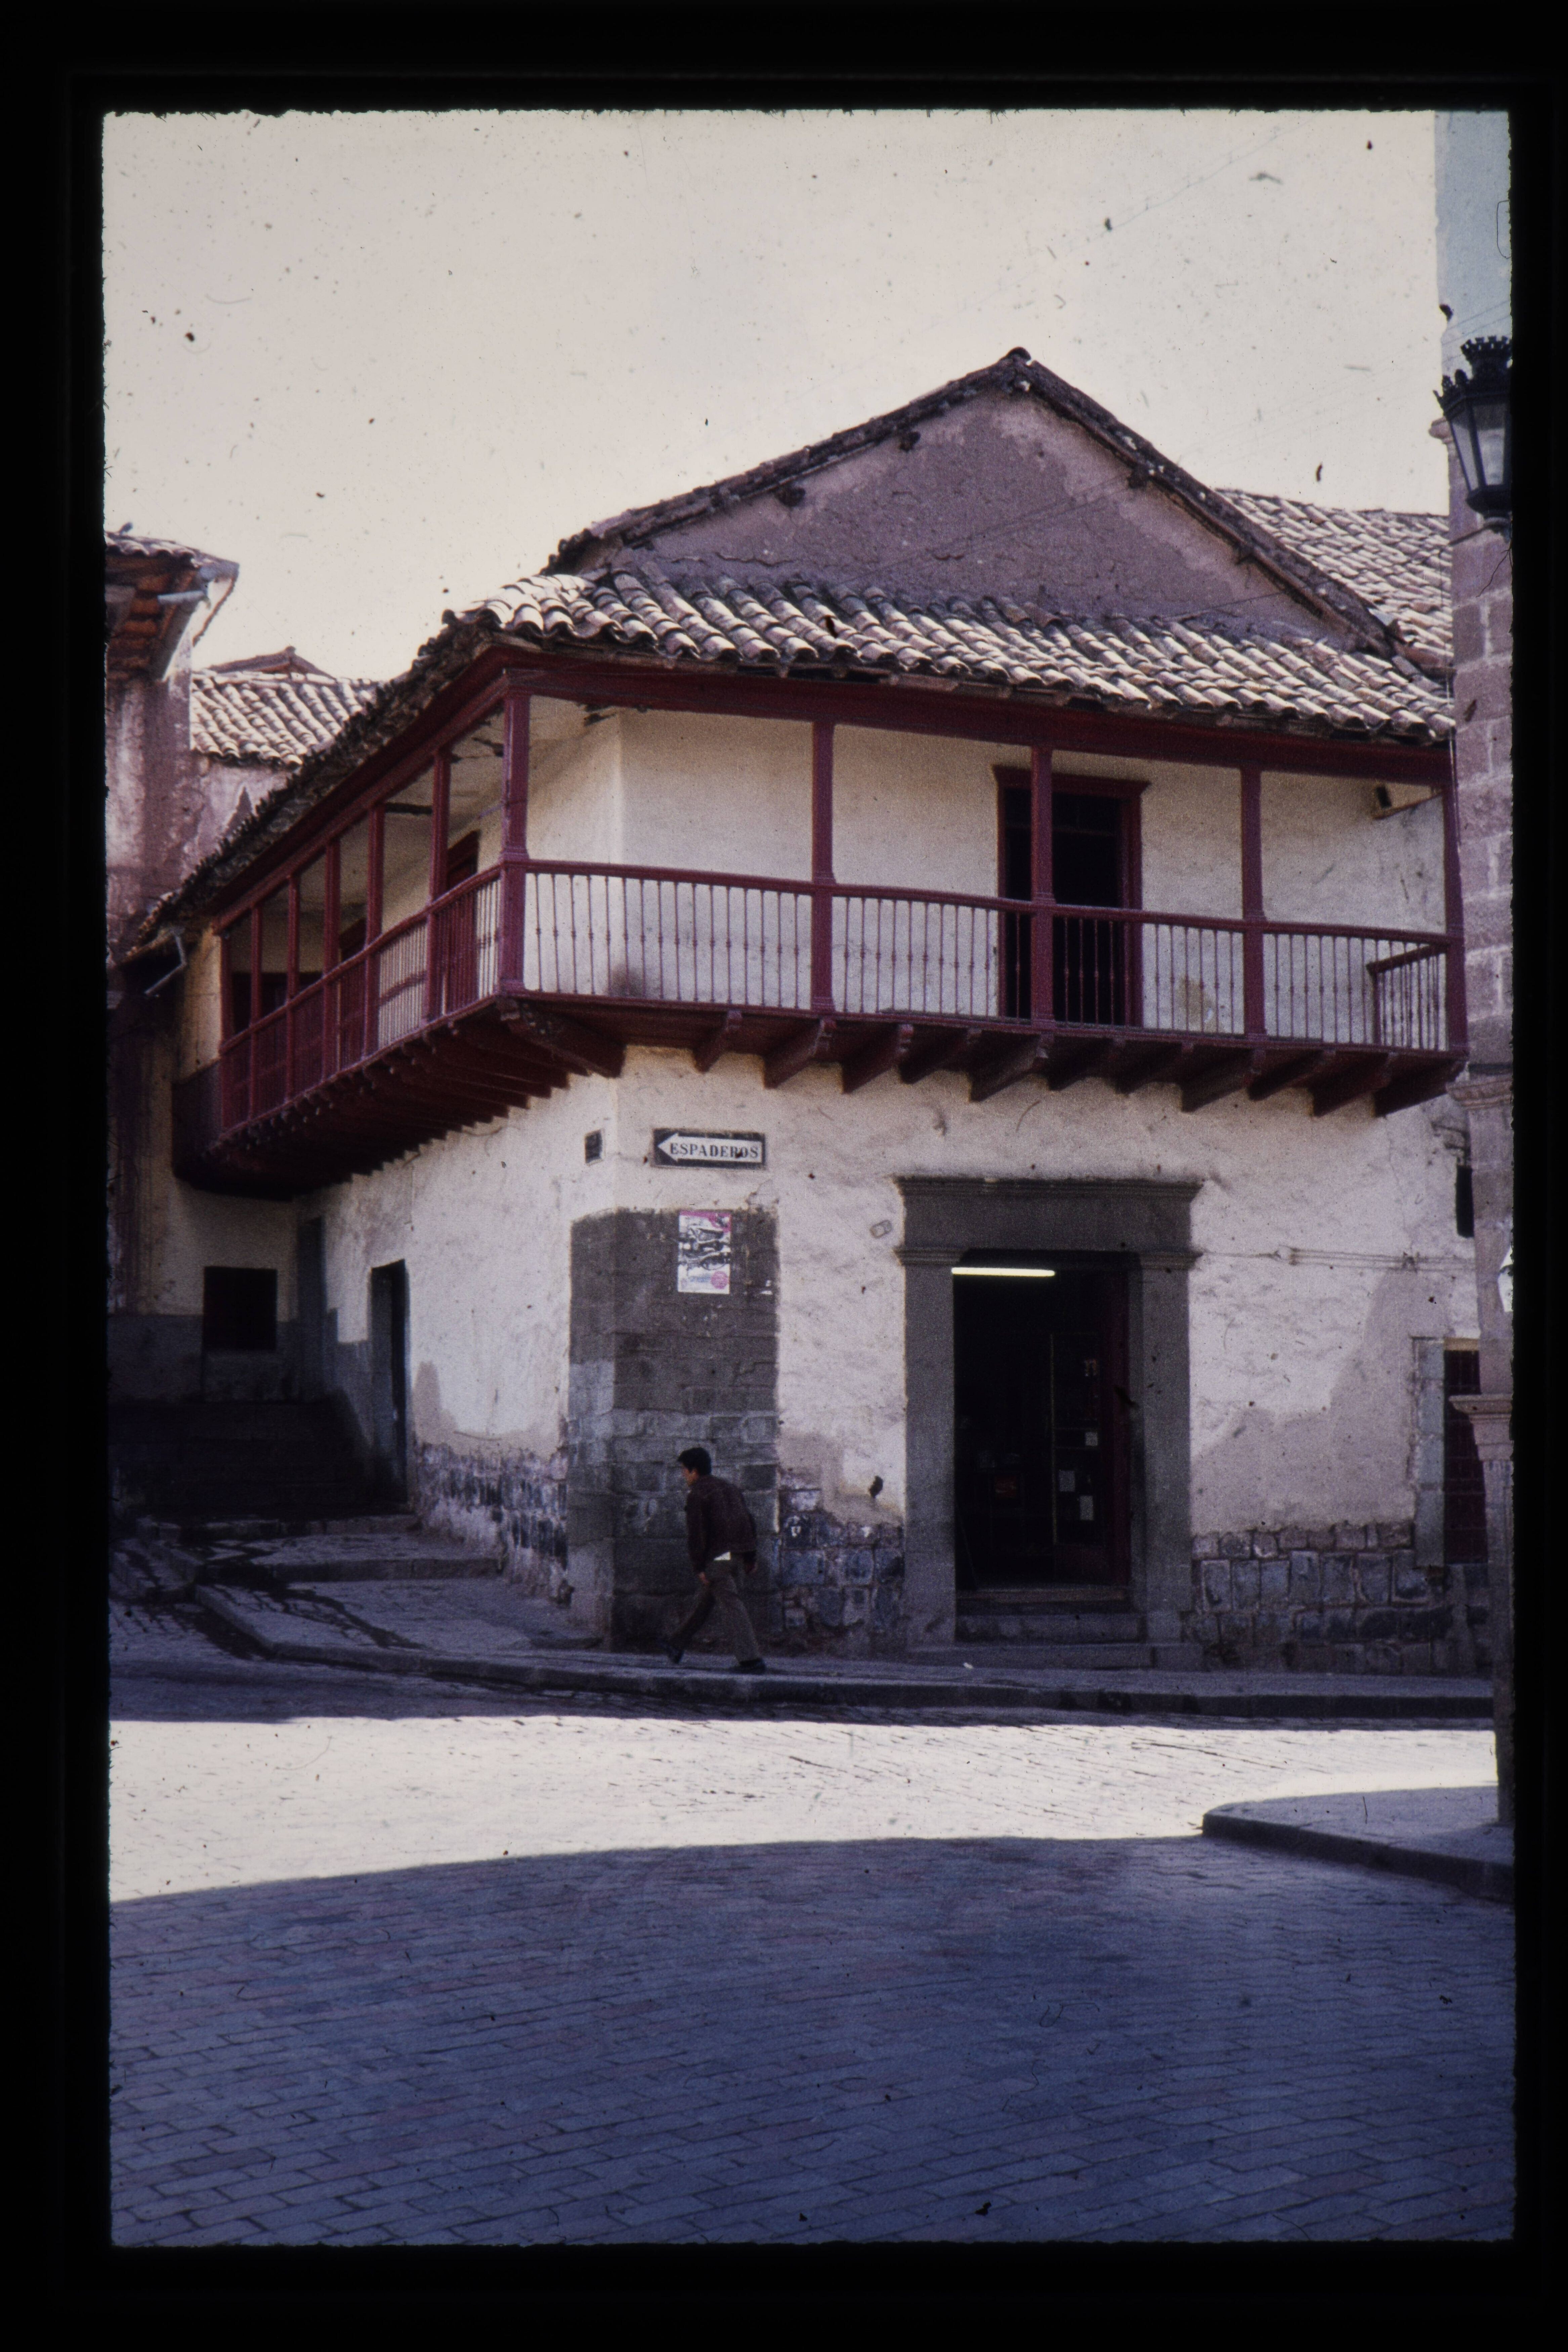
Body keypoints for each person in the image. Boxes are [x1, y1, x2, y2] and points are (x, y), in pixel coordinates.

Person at [665, 1446, 767, 1672]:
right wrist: (750, 1557)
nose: (683, 1475)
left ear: (694, 1471)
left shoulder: (697, 1494)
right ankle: (675, 1645)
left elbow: (697, 1535)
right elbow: (749, 1522)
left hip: (719, 1558)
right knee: (706, 1600)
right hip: (736, 1555)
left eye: (684, 1470)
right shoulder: (730, 1488)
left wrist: (699, 1567)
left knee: (732, 1606)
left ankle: (751, 1660)